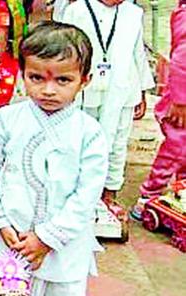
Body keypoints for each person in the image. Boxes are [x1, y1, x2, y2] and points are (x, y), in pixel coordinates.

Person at [0, 22, 108, 296]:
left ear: (84, 80)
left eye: (63, 80)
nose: (48, 90)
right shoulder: (5, 120)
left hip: (65, 245)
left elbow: (87, 195)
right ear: (22, 75)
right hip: (12, 238)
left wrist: (48, 237)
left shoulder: (90, 132)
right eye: (36, 77)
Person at [62, 0, 154, 212]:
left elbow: (137, 52)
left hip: (123, 87)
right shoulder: (76, 10)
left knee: (117, 143)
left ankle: (109, 194)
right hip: (84, 87)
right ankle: (74, 194)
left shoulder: (133, 13)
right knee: (79, 140)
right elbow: (62, 49)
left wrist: (141, 91)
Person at [131, 0, 186, 220]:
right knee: (176, 151)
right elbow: (181, 63)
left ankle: (180, 192)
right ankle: (149, 194)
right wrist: (181, 102)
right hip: (181, 106)